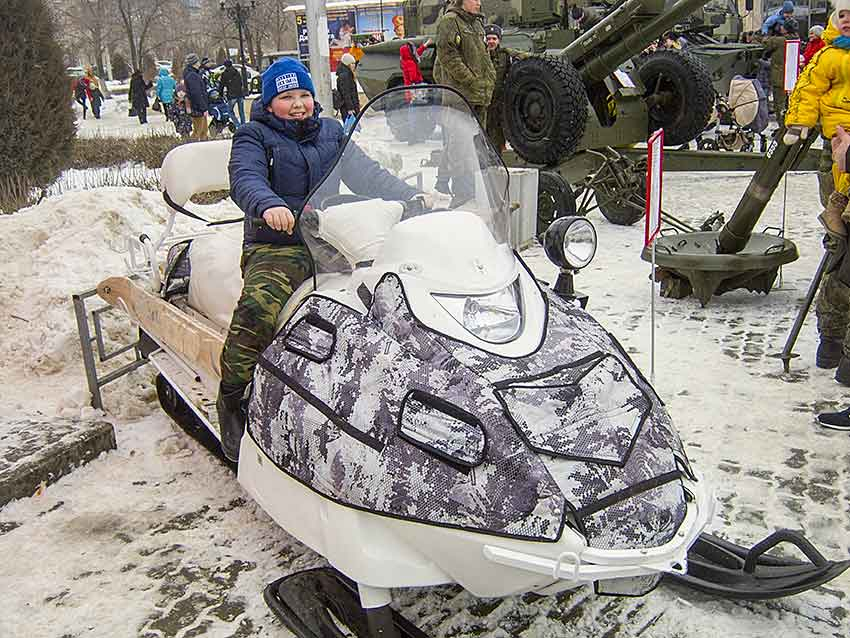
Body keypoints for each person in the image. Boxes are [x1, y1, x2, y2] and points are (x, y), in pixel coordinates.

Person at [218, 58, 427, 461]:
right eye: (286, 97)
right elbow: (246, 178)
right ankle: (231, 394)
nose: (298, 104)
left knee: (394, 285)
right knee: (258, 309)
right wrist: (268, 204)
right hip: (279, 242)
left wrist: (410, 196)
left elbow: (367, 173)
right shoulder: (252, 136)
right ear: (269, 102)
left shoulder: (331, 131)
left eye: (304, 95)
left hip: (335, 234)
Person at [784, 7, 850, 386]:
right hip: (836, 149)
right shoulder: (827, 55)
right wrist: (799, 124)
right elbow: (807, 90)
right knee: (838, 244)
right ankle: (832, 337)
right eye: (842, 13)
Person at [433, 0, 496, 204]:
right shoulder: (450, 22)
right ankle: (462, 195)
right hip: (461, 97)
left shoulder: (476, 23)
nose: (478, 2)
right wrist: (470, 79)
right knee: (460, 147)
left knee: (475, 145)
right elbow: (447, 57)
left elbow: (484, 56)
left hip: (478, 96)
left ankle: (455, 186)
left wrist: (489, 78)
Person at [483, 24, 528, 154]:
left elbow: (524, 56)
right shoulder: (480, 55)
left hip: (498, 100)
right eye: (489, 38)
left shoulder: (505, 54)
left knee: (498, 130)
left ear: (499, 41)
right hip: (484, 100)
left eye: (494, 39)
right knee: (483, 130)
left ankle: (499, 154)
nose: (491, 41)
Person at [762, 18, 799, 119]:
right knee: (789, 105)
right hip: (791, 77)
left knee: (779, 105)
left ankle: (782, 129)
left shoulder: (780, 41)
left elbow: (765, 43)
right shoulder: (796, 39)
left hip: (779, 78)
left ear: (786, 29)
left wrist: (767, 32)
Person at [183, 53, 209, 141]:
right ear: (194, 63)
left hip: (197, 107)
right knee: (199, 131)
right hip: (197, 107)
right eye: (197, 61)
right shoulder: (192, 75)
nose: (199, 63)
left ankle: (202, 148)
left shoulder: (192, 73)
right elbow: (196, 93)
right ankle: (191, 149)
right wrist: (203, 107)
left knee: (203, 131)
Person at [219, 59, 246, 126]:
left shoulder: (225, 74)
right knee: (241, 112)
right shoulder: (236, 72)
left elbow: (221, 85)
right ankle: (244, 125)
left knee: (230, 111)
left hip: (232, 95)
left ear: (225, 66)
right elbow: (240, 83)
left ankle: (238, 125)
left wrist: (220, 94)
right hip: (240, 94)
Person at [335, 52, 359, 123]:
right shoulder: (345, 76)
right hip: (349, 109)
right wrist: (350, 108)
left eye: (354, 63)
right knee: (351, 130)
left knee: (354, 129)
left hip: (350, 107)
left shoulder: (348, 74)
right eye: (352, 63)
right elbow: (346, 93)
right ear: (347, 64)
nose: (354, 65)